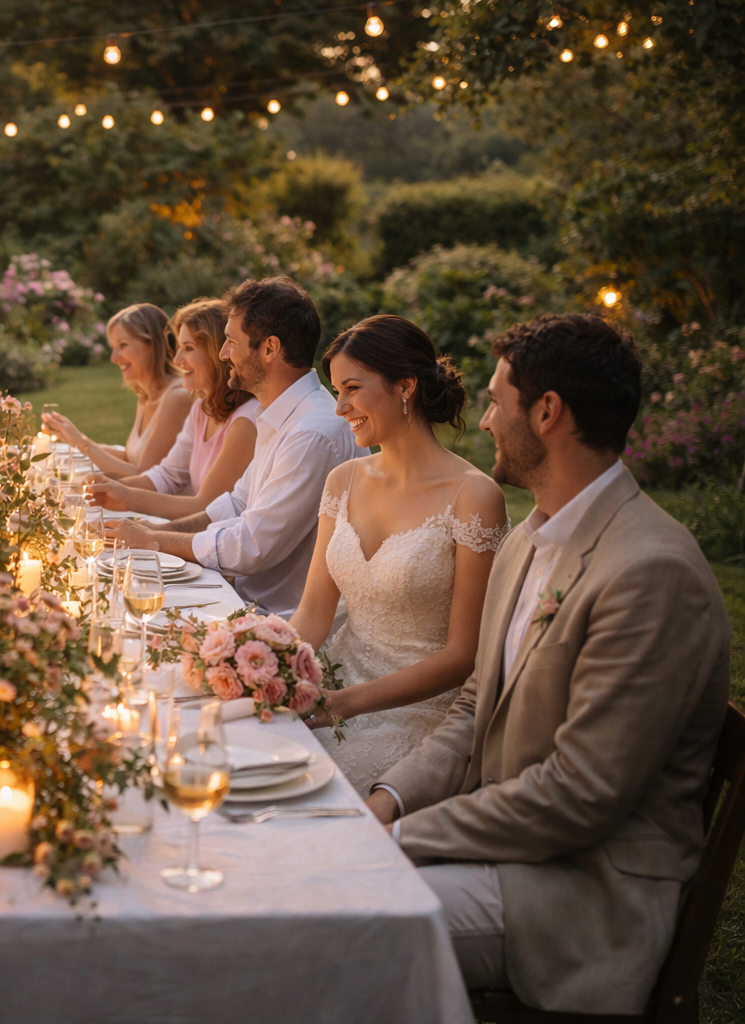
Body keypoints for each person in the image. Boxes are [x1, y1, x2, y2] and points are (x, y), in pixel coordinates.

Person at [366, 314, 730, 1015]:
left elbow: (580, 795)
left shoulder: (649, 572)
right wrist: (386, 802)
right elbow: (475, 708)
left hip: (580, 890)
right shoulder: (532, 535)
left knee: (346, 918)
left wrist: (397, 840)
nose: (485, 423)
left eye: (499, 403)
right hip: (506, 846)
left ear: (548, 412)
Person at [282, 316, 509, 792]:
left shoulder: (474, 496)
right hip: (333, 679)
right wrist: (269, 666)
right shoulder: (343, 481)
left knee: (314, 790)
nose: (340, 406)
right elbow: (314, 611)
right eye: (336, 390)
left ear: (405, 386)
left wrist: (341, 705)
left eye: (352, 388)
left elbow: (464, 654)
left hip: (418, 712)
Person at [107, 277, 368, 619]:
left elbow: (251, 547)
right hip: (242, 597)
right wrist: (150, 532)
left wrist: (153, 541)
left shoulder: (311, 432)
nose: (222, 353)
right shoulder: (278, 412)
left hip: (281, 618)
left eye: (231, 341)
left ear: (270, 349)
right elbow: (235, 504)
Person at [86, 298, 261, 519]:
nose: (177, 359)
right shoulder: (202, 408)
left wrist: (127, 497)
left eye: (188, 348)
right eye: (178, 348)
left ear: (216, 352)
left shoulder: (245, 421)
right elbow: (167, 475)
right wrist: (108, 487)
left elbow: (207, 507)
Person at [43, 303, 193, 477]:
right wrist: (74, 439)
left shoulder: (177, 396)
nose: (114, 358)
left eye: (123, 345)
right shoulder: (146, 395)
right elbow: (131, 458)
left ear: (152, 344)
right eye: (114, 346)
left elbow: (144, 477)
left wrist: (82, 443)